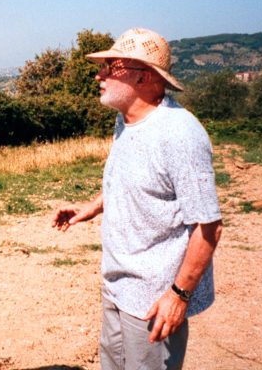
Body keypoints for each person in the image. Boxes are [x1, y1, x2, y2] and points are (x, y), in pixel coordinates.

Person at [51, 28, 222, 369]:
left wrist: (179, 296)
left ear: (144, 77)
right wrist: (88, 209)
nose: (99, 75)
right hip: (117, 285)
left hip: (152, 299)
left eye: (111, 66)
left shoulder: (180, 133)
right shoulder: (126, 121)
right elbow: (126, 184)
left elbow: (209, 226)